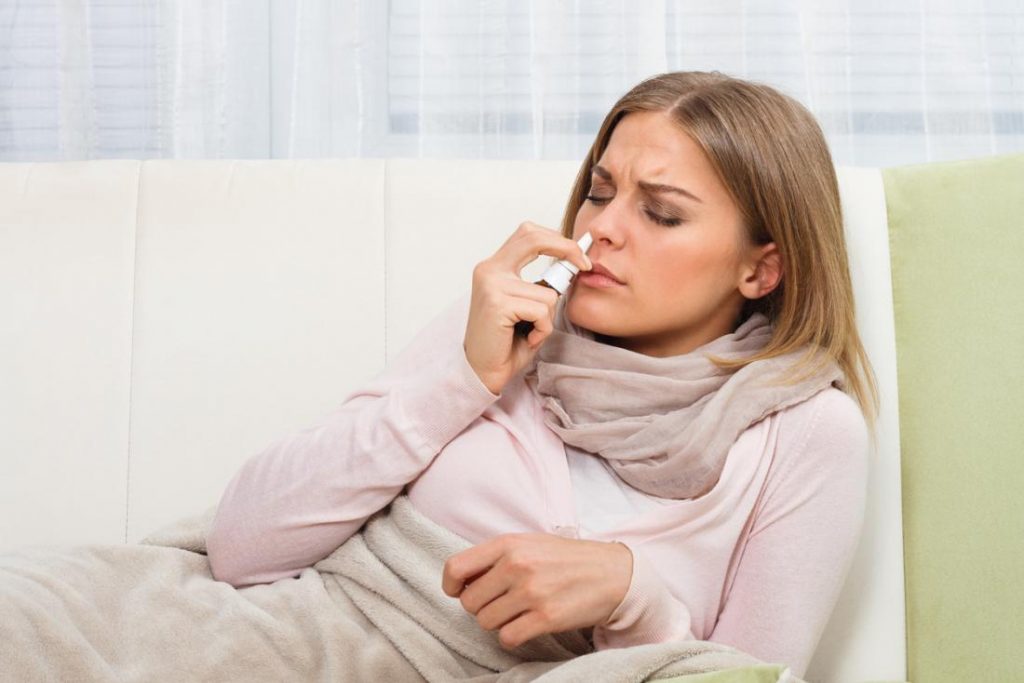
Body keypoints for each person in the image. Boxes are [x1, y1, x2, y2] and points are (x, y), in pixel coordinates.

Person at [205, 70, 879, 680]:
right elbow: (240, 546)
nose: (601, 228)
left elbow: (750, 677)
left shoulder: (807, 432)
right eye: (599, 192)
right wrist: (464, 380)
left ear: (760, 269)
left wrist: (633, 597)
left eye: (661, 212)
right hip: (272, 642)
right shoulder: (509, 324)